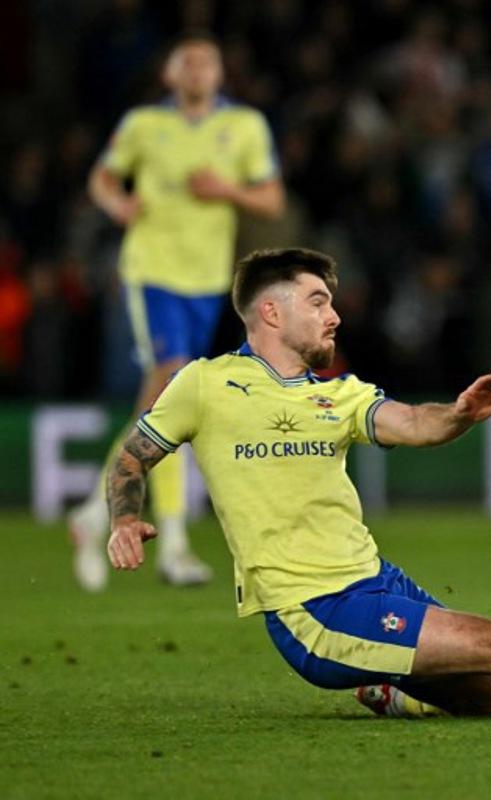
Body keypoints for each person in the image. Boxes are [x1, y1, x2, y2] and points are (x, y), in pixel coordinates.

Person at [104, 247, 491, 719]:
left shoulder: (337, 396)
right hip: (313, 610)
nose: (335, 315)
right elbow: (131, 459)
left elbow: (411, 424)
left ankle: (387, 690)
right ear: (271, 310)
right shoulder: (205, 385)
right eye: (318, 300)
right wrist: (124, 519)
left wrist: (457, 414)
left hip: (376, 580)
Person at [71, 32, 285, 590]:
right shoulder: (145, 125)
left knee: (169, 400)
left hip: (208, 278)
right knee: (171, 383)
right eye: (185, 62)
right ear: (169, 74)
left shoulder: (244, 128)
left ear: (220, 74)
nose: (195, 70)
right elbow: (102, 176)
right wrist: (117, 202)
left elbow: (271, 198)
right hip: (152, 272)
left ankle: (97, 513)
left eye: (206, 62)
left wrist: (227, 191)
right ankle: (171, 544)